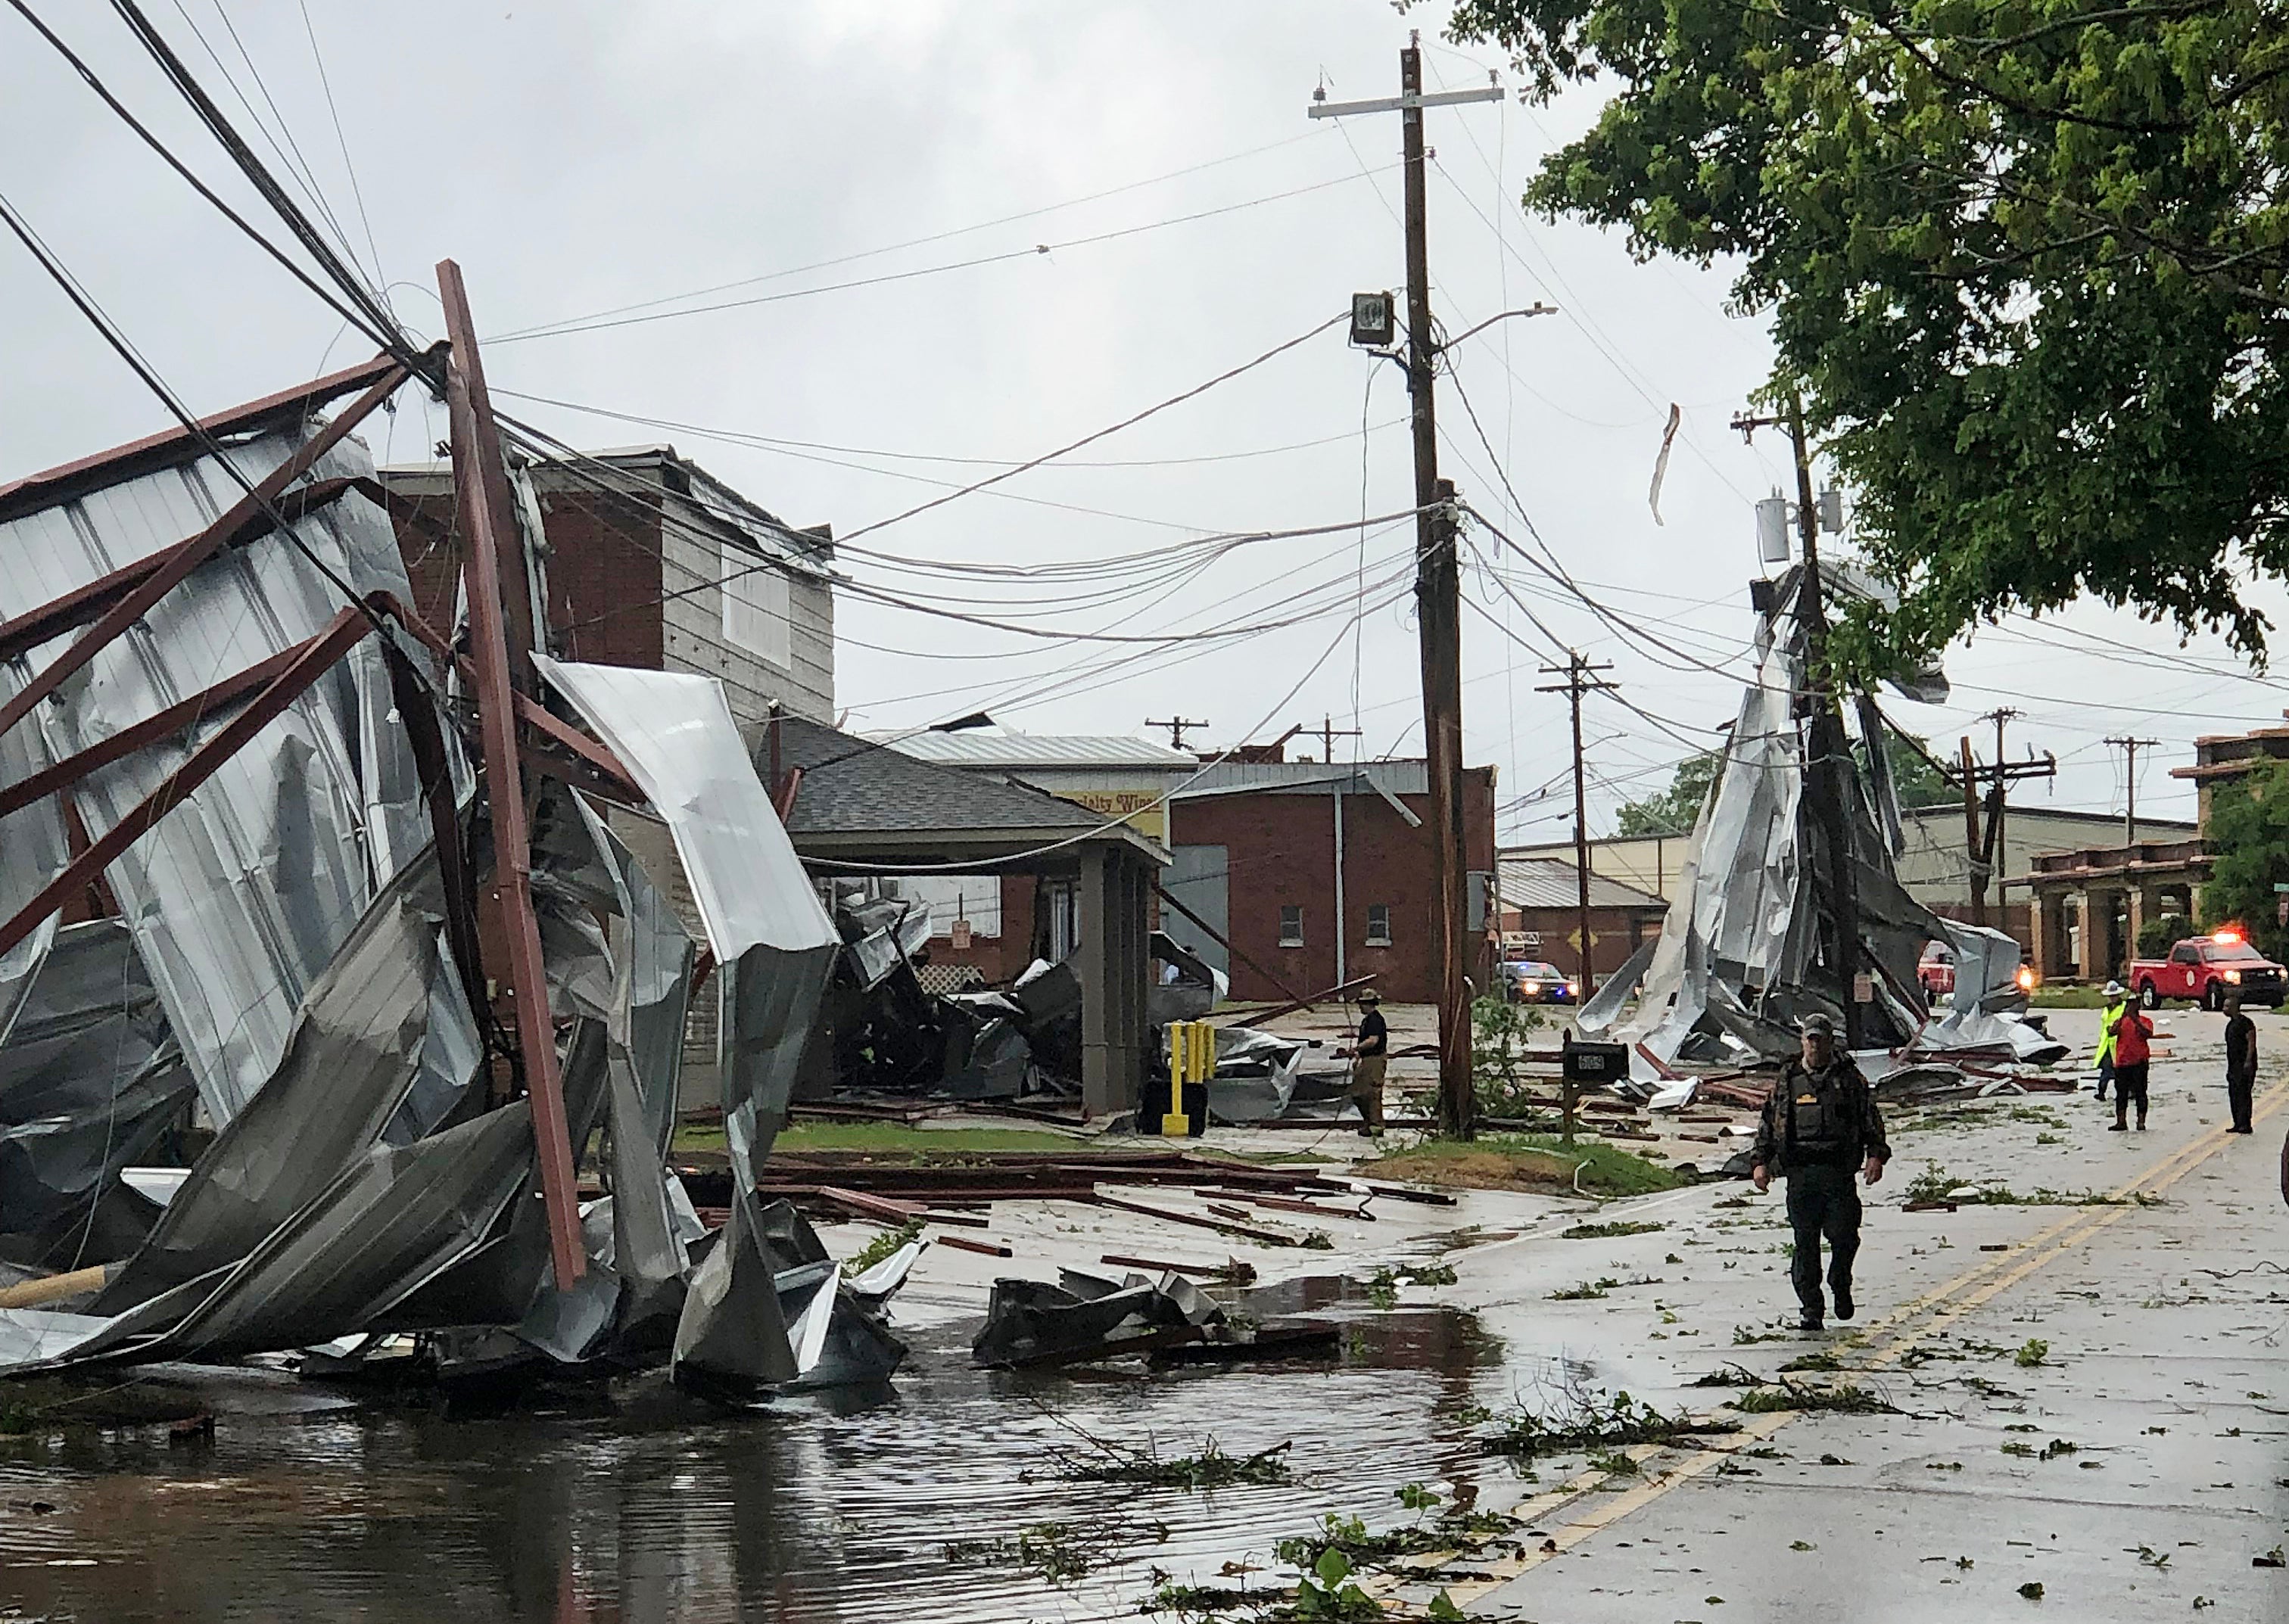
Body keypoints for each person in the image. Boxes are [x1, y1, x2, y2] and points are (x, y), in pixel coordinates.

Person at [1751, 1013, 1890, 1334]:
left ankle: (1840, 1283)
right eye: (1809, 1040)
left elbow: (1871, 1120)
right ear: (1803, 1042)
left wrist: (1876, 1156)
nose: (1814, 1046)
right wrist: (1760, 1162)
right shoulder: (1787, 1080)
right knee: (1805, 1243)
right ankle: (1811, 1307)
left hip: (1839, 1174)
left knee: (1844, 1238)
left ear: (1830, 1042)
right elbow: (1769, 1124)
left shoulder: (1849, 1079)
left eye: (1820, 1040)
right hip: (1801, 1175)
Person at [2109, 998, 2155, 1131]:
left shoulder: (2145, 1021)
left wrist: (2135, 1019)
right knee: (2121, 1094)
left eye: (2133, 1004)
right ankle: (2121, 1122)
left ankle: (2141, 1122)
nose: (2130, 1006)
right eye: (2128, 1004)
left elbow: (2147, 1033)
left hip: (2139, 1062)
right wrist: (2123, 1017)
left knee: (2141, 1092)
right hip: (2122, 1062)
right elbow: (2112, 1032)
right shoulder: (2122, 1021)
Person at [1348, 990, 1388, 1137]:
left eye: (1362, 1004)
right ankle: (1368, 1121)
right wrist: (1357, 1056)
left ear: (1368, 1004)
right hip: (1366, 1059)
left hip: (1375, 1060)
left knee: (1372, 1093)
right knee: (1358, 1093)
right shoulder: (1366, 1021)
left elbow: (1373, 1041)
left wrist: (1356, 1049)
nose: (1360, 1007)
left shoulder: (1376, 1020)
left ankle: (1376, 1125)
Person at [2223, 990, 2256, 1135]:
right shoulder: (2231, 1025)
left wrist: (2249, 1061)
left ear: (2235, 1007)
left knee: (2244, 1094)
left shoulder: (2246, 1023)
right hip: (2233, 1065)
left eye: (2227, 1007)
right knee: (2234, 1094)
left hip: (2244, 1064)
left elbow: (2252, 1042)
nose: (2224, 1009)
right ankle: (2237, 1122)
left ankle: (2245, 1124)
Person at [2094, 980, 2128, 1103]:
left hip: (2121, 1044)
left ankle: (2125, 1093)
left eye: (2114, 996)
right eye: (2111, 996)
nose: (2112, 998)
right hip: (2107, 1045)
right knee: (2106, 1070)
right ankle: (2101, 1092)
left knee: (2122, 1072)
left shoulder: (2125, 1007)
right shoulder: (2106, 1009)